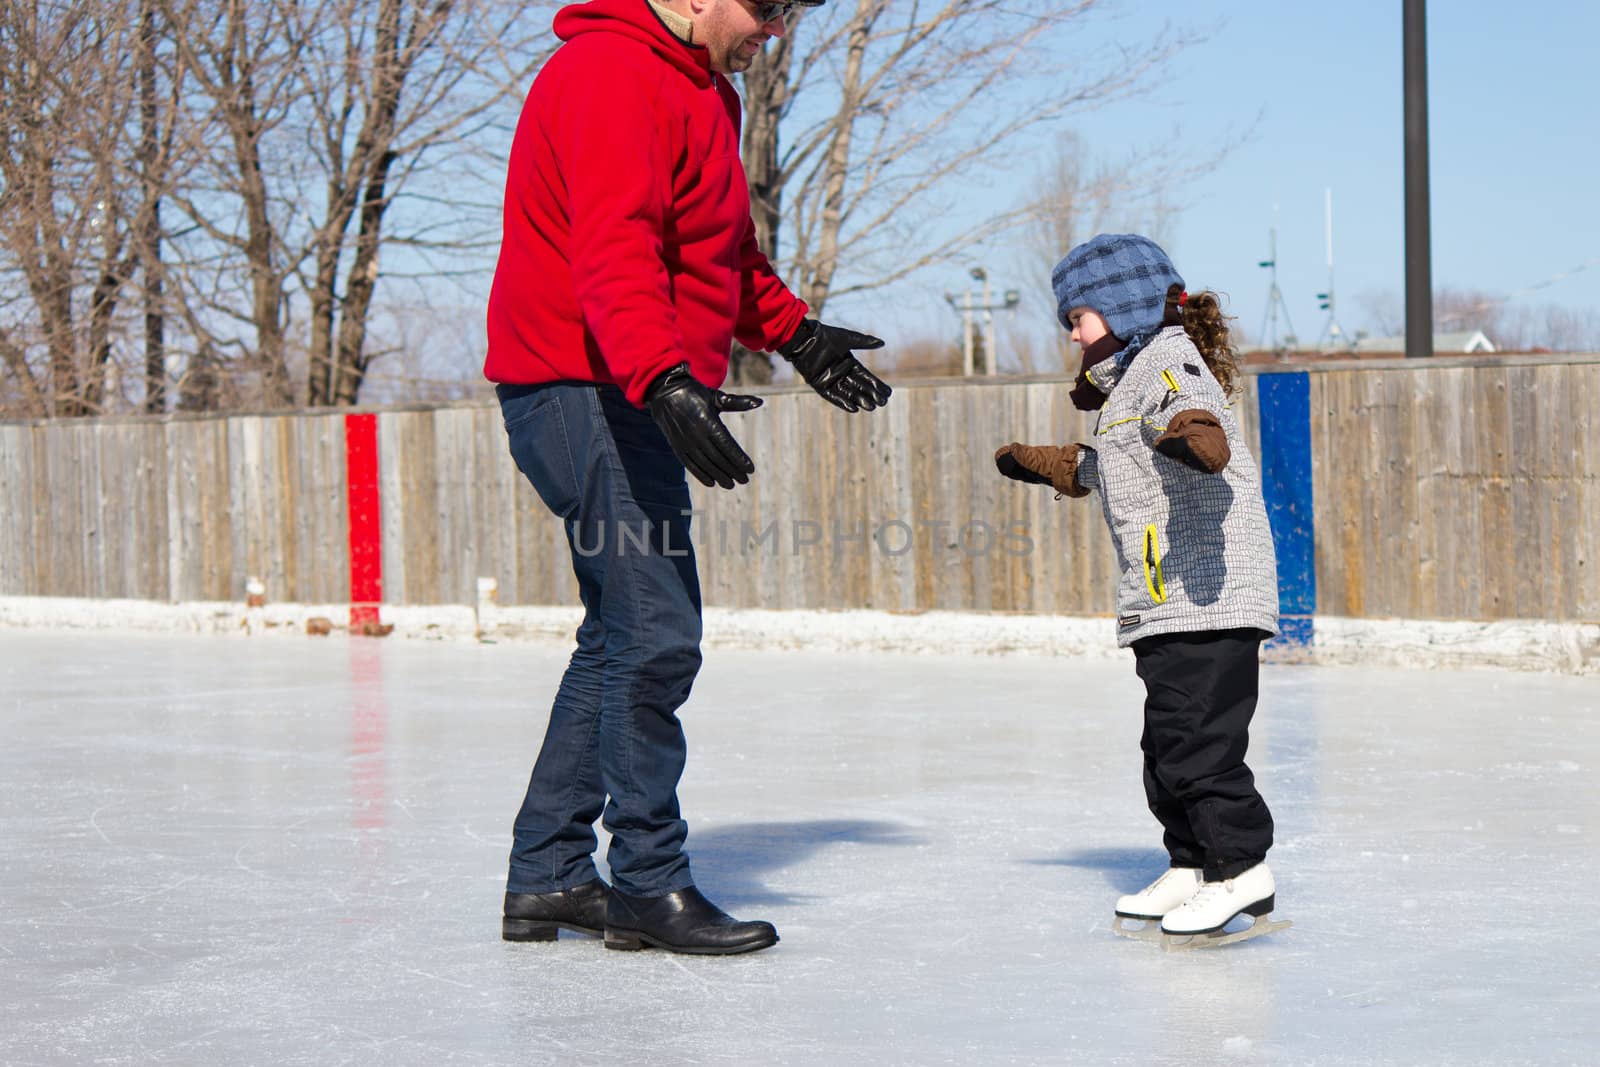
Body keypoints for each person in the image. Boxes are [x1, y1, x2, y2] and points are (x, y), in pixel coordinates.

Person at [484, 0, 891, 956]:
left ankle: (546, 874)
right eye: (768, 7)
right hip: (577, 386)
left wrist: (796, 333)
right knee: (656, 632)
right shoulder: (608, 75)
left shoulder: (706, 91)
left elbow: (723, 254)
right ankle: (648, 882)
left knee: (622, 634)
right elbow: (613, 246)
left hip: (620, 381)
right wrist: (662, 375)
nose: (777, 31)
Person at [994, 234, 1284, 946]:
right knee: (1166, 744)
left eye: (1079, 315)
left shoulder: (1166, 362)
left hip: (1210, 592)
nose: (1072, 330)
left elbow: (1191, 418)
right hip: (1165, 597)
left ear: (1122, 307)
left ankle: (1241, 869)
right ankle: (1191, 863)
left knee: (1200, 742)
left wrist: (1196, 433)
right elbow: (1123, 465)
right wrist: (1058, 464)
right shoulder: (1125, 384)